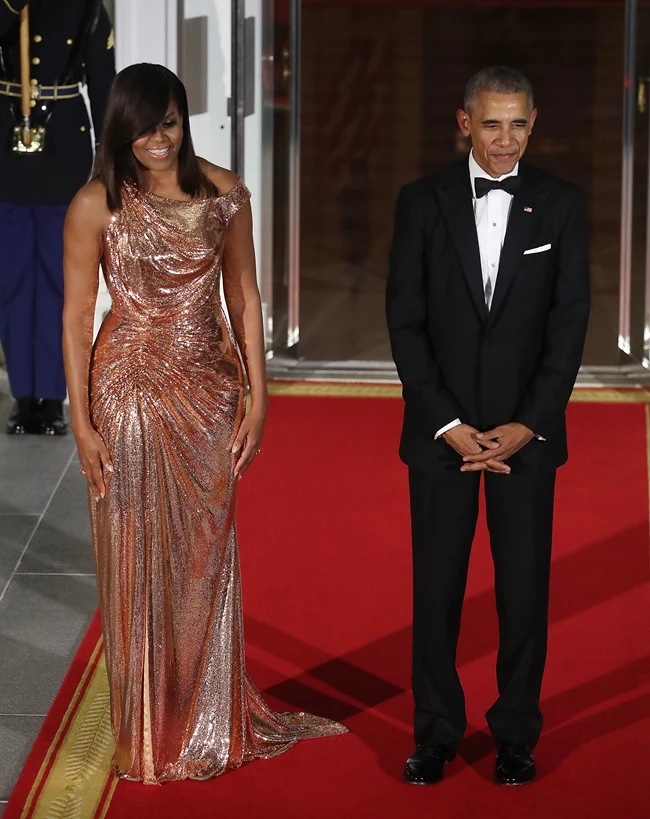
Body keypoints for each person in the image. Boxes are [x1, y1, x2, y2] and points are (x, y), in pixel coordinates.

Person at [62, 63, 347, 784]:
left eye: (169, 123)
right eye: (142, 126)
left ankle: (206, 718)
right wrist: (82, 421)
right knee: (131, 557)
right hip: (124, 391)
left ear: (185, 122)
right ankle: (146, 727)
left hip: (208, 394)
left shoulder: (223, 193)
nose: (157, 139)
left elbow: (246, 296)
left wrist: (260, 391)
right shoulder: (96, 204)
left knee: (203, 560)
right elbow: (72, 320)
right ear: (119, 130)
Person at [386, 66, 590, 787]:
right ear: (464, 122)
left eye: (519, 125)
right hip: (441, 439)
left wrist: (526, 426)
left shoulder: (562, 207)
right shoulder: (419, 203)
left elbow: (568, 330)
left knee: (523, 593)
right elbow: (405, 324)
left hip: (524, 442)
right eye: (493, 124)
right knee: (436, 592)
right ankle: (436, 732)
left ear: (534, 124)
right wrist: (446, 423)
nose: (507, 141)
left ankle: (516, 734)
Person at [0, 0, 114, 435]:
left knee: (56, 280)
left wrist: (111, 157)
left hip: (61, 144)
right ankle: (23, 396)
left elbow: (104, 81)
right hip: (8, 147)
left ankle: (51, 398)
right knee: (12, 280)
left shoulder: (86, 7)